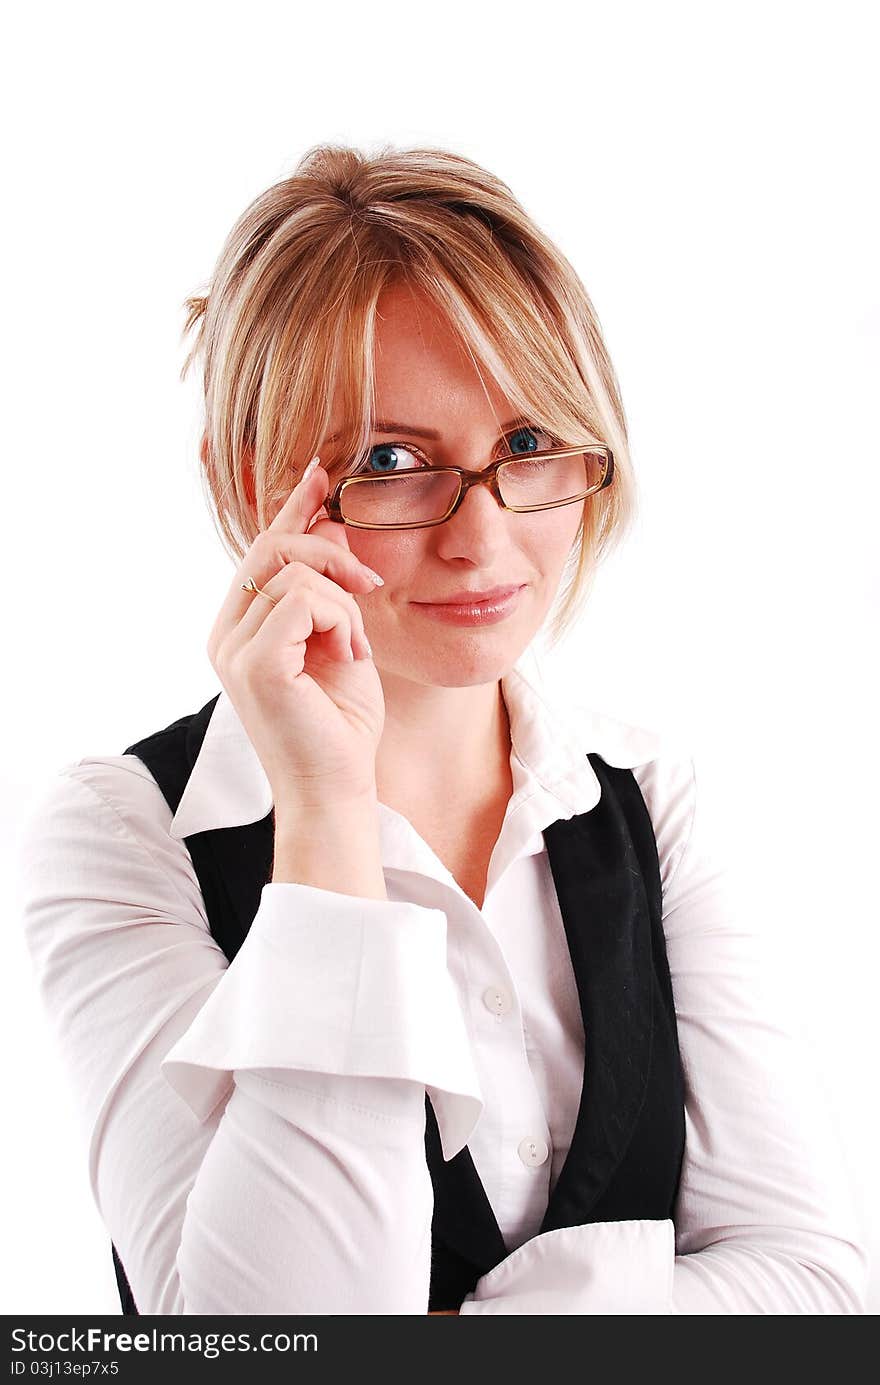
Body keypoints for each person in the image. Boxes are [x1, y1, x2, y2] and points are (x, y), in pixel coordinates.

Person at [17, 142, 867, 1315]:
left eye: (526, 445)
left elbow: (814, 1284)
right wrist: (323, 817)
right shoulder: (125, 831)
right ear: (248, 478)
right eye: (390, 461)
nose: (482, 539)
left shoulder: (649, 800)